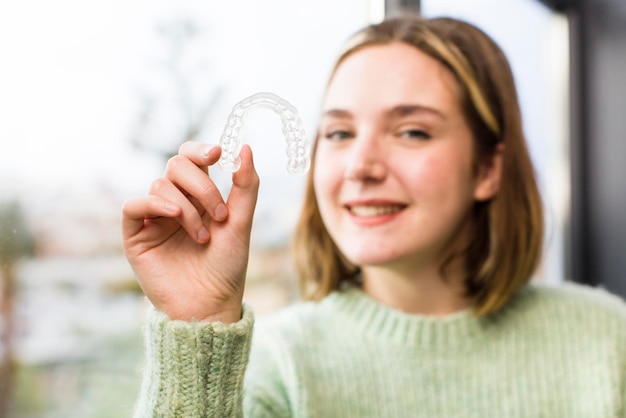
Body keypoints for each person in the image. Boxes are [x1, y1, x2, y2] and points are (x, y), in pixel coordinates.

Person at [122, 15, 626, 417]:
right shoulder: (271, 365)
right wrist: (198, 326)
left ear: (488, 169)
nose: (360, 166)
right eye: (339, 134)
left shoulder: (607, 340)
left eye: (412, 132)